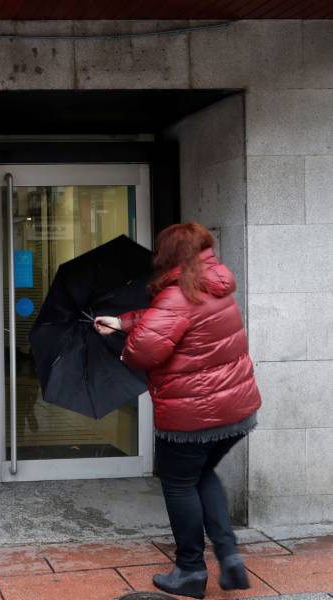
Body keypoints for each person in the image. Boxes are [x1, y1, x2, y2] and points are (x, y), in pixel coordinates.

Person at [94, 223, 261, 599]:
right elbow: (172, 320)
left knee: (180, 482)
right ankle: (229, 555)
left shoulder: (176, 295)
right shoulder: (211, 283)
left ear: (169, 255)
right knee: (202, 474)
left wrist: (123, 345)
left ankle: (190, 569)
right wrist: (122, 322)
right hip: (236, 409)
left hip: (193, 416)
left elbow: (144, 351)